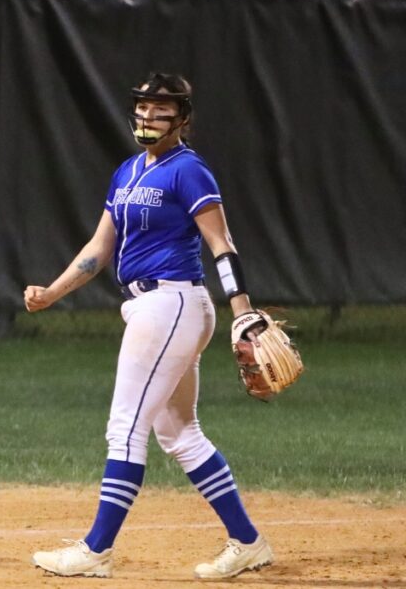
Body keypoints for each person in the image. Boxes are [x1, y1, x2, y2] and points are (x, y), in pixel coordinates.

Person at [24, 73, 274, 580]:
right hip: (150, 307)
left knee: (125, 429)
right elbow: (99, 248)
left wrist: (243, 309)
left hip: (172, 303)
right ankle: (248, 542)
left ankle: (95, 551)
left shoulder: (189, 171)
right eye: (142, 108)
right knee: (180, 433)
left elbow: (222, 244)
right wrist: (52, 291)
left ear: (182, 120)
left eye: (161, 111)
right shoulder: (128, 172)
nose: (148, 118)